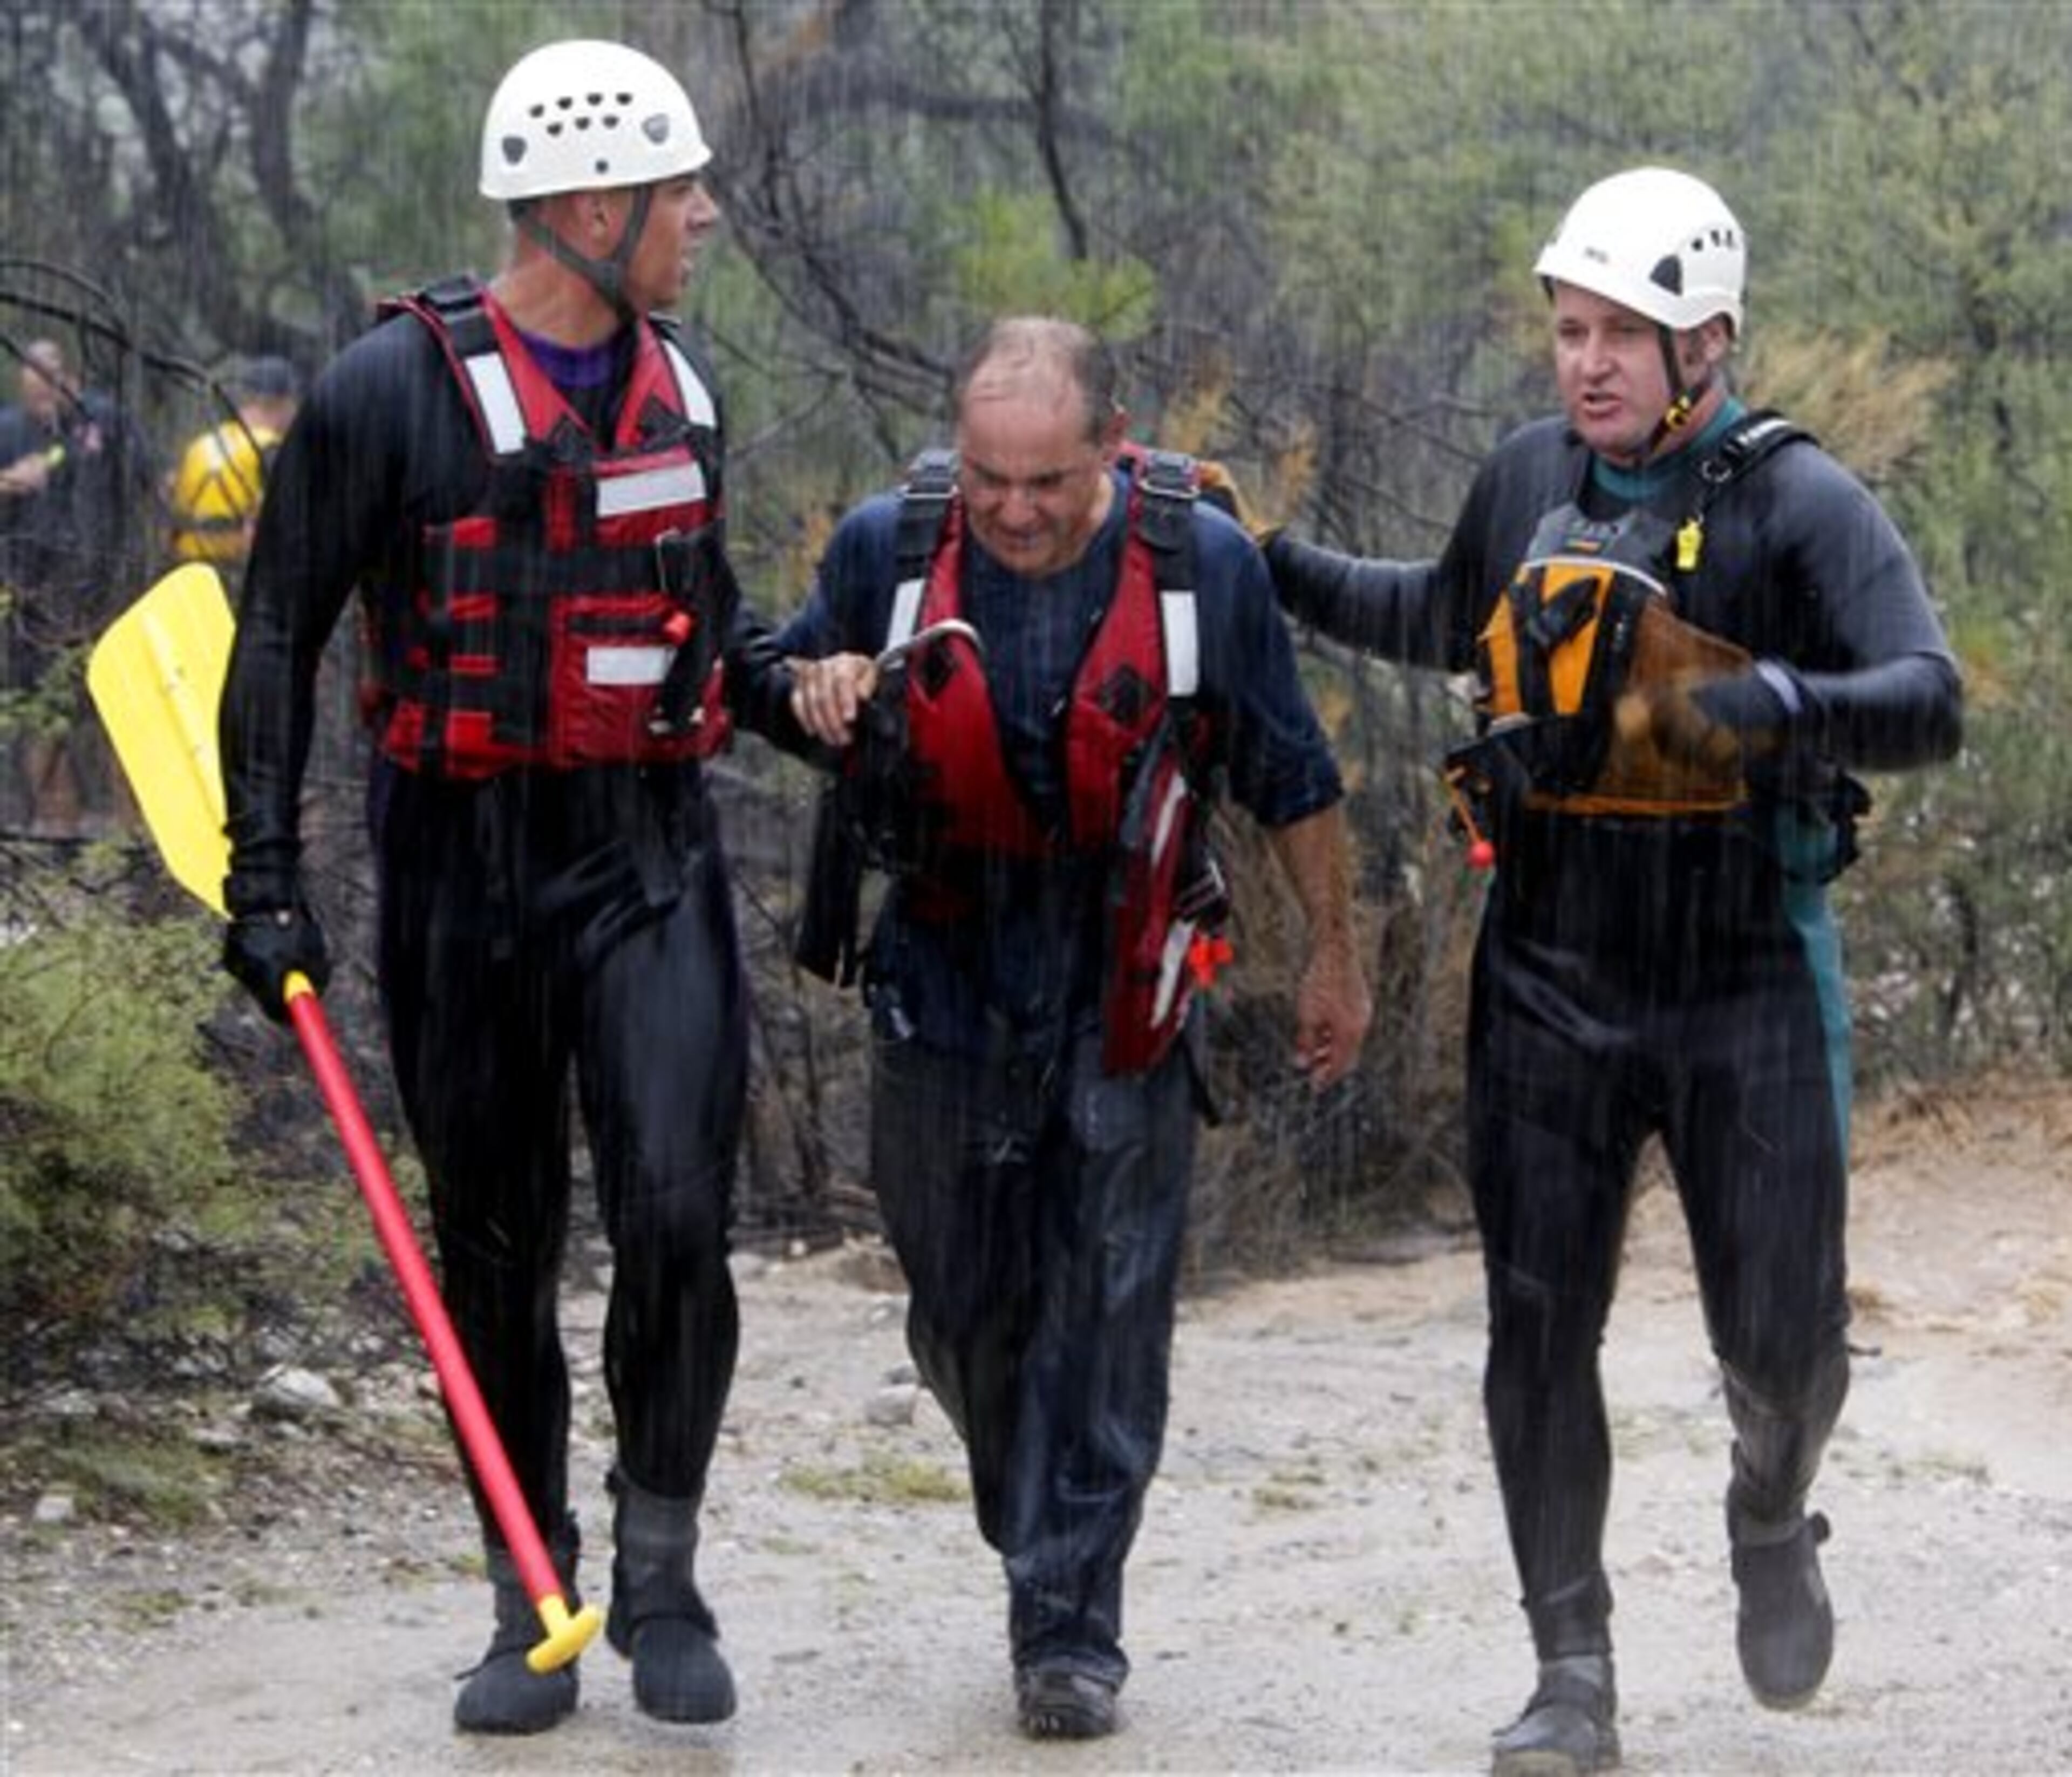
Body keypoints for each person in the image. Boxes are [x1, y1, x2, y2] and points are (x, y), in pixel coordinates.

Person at [1265, 167, 1964, 1775]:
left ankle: (1769, 1503)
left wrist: (1780, 702)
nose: (1582, 362)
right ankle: (1567, 1667)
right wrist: (1271, 561)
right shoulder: (1524, 475)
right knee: (1533, 1322)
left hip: (1741, 985)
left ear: (1703, 340)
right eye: (1567, 328)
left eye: (1620, 335)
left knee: (1785, 1335)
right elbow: (1445, 617)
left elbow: (1924, 698)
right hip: (1548, 980)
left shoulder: (1798, 501)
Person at [216, 39, 813, 1738]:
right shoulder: (381, 392)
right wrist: (265, 874)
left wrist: (812, 695)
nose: (704, 214)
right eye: (679, 187)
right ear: (589, 200)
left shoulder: (684, 389)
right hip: (460, 865)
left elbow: (714, 629)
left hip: (648, 852)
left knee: (683, 1214)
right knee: (496, 1242)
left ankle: (662, 1563)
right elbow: (277, 637)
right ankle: (523, 1584)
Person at [780, 316, 1374, 1742]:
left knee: (1110, 1306)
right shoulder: (886, 547)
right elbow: (782, 681)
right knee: (961, 1303)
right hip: (943, 969)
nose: (1016, 512)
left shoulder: (1199, 566)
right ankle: (1031, 1505)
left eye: (1046, 481)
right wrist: (821, 687)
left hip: (1125, 969)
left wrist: (1335, 959)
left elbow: (1294, 776)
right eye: (990, 479)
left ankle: (1069, 1622)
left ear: (1113, 448)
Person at [1, 337, 156, 830]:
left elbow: (148, 482)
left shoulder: (105, 420)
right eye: (32, 394)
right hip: (33, 604)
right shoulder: (9, 430)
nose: (41, 403)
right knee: (43, 718)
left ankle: (133, 836)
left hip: (105, 597)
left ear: (72, 380)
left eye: (50, 389)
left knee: (123, 712)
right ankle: (58, 835)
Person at [166, 356, 301, 569]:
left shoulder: (200, 444)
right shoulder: (270, 449)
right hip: (235, 573)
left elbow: (168, 496)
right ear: (281, 403)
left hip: (185, 571)